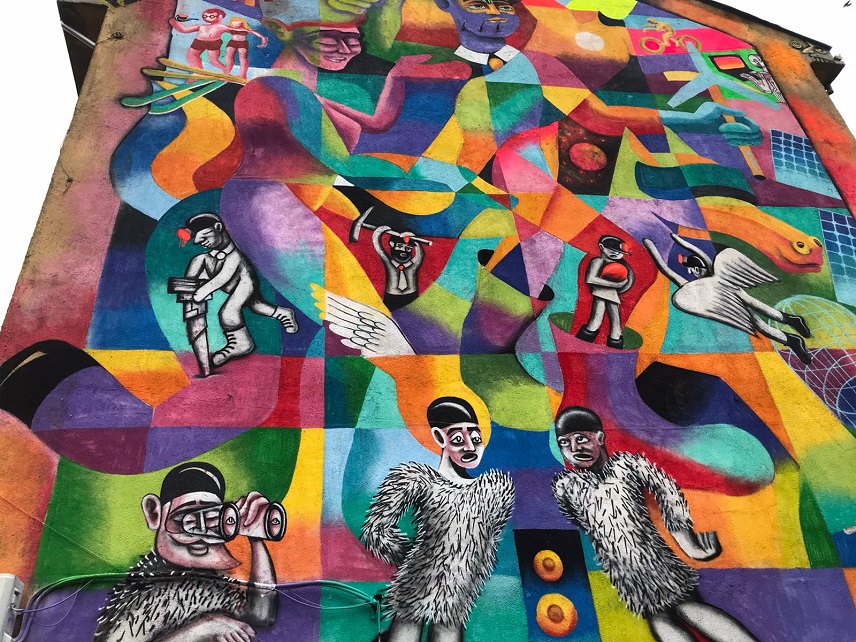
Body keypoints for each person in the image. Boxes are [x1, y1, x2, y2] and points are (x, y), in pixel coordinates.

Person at [551, 407, 761, 642]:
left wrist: (687, 542)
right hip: (626, 574)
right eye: (564, 443)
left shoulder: (626, 466)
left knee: (686, 606)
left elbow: (667, 490)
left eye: (581, 439)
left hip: (656, 561)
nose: (574, 449)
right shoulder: (567, 487)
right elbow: (577, 519)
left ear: (599, 437)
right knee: (658, 618)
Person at [362, 397, 515, 642]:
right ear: (439, 437)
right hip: (415, 589)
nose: (470, 447)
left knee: (445, 632)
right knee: (406, 632)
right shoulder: (419, 481)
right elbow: (376, 529)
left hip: (458, 597)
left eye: (476, 438)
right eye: (458, 439)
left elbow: (488, 544)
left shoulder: (494, 491)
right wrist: (414, 560)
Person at [92, 462, 279, 642]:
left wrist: (255, 539)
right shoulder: (144, 590)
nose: (201, 535)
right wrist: (206, 627)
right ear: (154, 513)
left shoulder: (213, 583)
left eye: (212, 519)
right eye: (186, 520)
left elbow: (261, 615)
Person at [643, 234, 812, 364]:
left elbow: (669, 270)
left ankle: (791, 331)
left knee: (758, 318)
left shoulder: (705, 277)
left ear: (696, 269)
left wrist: (664, 243)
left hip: (730, 293)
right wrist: (671, 242)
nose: (693, 273)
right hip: (730, 293)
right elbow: (678, 265)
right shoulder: (702, 281)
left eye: (693, 270)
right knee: (759, 315)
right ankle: (791, 330)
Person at [181, 213, 298, 371]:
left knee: (229, 312)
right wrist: (189, 286)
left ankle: (241, 343)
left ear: (218, 227)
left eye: (205, 237)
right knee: (256, 305)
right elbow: (193, 278)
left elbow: (222, 278)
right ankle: (283, 313)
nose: (201, 242)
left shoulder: (234, 255)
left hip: (245, 282)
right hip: (232, 285)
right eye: (199, 240)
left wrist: (201, 292)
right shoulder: (204, 258)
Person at [575, 235, 634, 349]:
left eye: (619, 252)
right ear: (601, 247)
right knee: (597, 320)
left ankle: (613, 348)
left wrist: (622, 285)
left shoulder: (620, 265)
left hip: (611, 293)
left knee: (615, 323)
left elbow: (627, 281)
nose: (616, 254)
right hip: (601, 292)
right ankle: (580, 346)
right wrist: (616, 285)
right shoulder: (597, 261)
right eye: (612, 250)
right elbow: (591, 279)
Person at [372, 225, 425, 310]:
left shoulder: (412, 266)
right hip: (391, 298)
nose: (403, 250)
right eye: (400, 246)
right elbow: (378, 247)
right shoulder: (389, 263)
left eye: (408, 248)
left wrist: (414, 239)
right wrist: (379, 231)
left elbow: (420, 255)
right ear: (392, 244)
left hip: (411, 297)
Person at [169, 8, 232, 73]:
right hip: (199, 41)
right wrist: (173, 21)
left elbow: (234, 30)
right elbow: (184, 29)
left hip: (213, 43)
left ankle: (225, 70)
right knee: (191, 56)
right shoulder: (201, 26)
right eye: (205, 16)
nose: (207, 18)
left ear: (220, 17)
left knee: (213, 60)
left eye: (211, 16)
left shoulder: (222, 26)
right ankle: (199, 72)